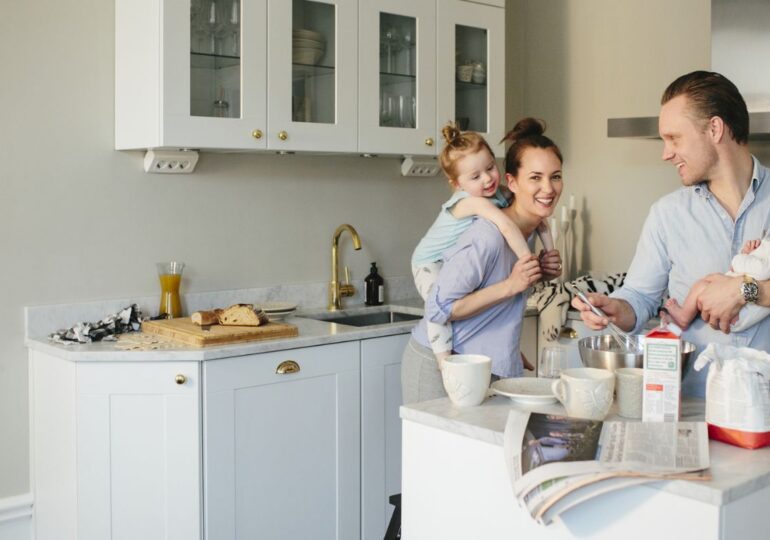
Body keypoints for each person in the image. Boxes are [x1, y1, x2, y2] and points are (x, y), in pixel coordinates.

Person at [572, 71, 770, 398]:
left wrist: (746, 290)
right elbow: (639, 297)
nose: (666, 153)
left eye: (674, 138)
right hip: (691, 406)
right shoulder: (668, 214)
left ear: (715, 129)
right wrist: (617, 308)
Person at [402, 118, 563, 404]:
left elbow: (498, 302)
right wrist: (512, 284)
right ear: (512, 182)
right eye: (535, 177)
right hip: (442, 367)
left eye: (556, 176)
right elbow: (439, 308)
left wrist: (506, 351)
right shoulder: (487, 235)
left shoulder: (526, 232)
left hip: (488, 365)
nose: (548, 188)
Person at [665, 237, 770, 331]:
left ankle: (684, 317)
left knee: (702, 285)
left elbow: (761, 270)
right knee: (710, 280)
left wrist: (740, 258)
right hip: (743, 308)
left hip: (738, 312)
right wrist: (748, 254)